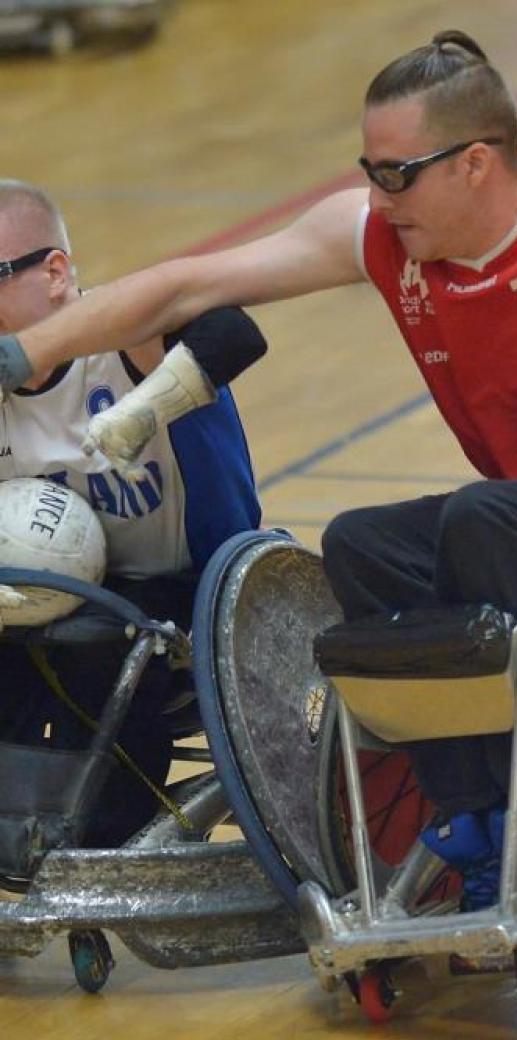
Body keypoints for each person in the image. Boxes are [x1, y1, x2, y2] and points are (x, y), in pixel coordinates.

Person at [0, 30, 517, 896]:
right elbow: (186, 287)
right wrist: (25, 351)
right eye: (368, 168)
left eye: (396, 172)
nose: (377, 194)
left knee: (485, 515)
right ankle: (463, 822)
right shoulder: (382, 237)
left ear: (477, 164)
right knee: (364, 543)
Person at [0, 179, 267, 847]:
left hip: (182, 604)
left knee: (93, 645)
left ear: (55, 271)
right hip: (42, 608)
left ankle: (95, 852)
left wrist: (149, 403)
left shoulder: (128, 344)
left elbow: (237, 332)